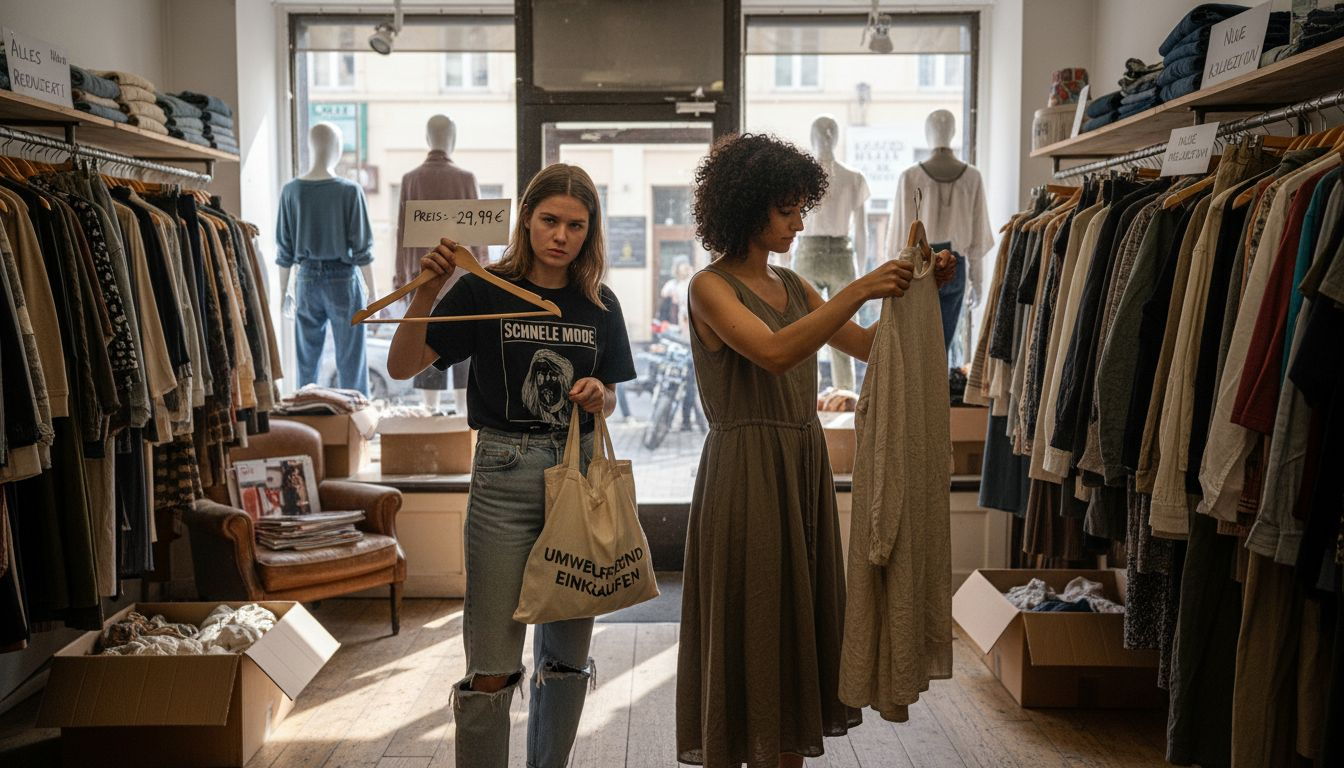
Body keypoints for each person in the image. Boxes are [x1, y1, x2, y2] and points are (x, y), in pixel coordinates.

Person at [675, 133, 956, 768]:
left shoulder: (796, 284)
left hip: (802, 466)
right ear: (747, 208)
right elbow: (776, 355)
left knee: (795, 623)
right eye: (788, 210)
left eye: (803, 208)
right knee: (749, 618)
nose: (800, 223)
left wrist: (918, 294)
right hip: (745, 471)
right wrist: (859, 288)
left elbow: (870, 346)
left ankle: (784, 754)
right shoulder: (708, 287)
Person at [386, 163, 636, 768]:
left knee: (567, 661)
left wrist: (600, 393)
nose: (562, 235)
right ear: (526, 219)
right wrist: (427, 289)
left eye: (577, 225)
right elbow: (402, 365)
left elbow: (610, 391)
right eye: (550, 220)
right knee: (493, 665)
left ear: (590, 230)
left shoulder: (600, 302)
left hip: (576, 477)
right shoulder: (484, 288)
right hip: (503, 473)